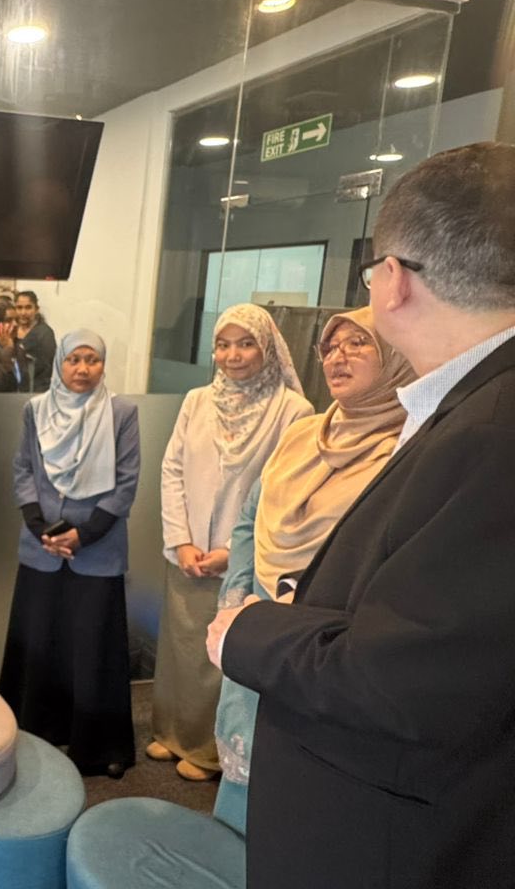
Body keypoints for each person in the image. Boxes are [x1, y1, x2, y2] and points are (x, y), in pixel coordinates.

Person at [208, 143, 515, 888]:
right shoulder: (464, 409)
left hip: (393, 835)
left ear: (395, 281)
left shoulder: (489, 432)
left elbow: (407, 676)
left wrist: (251, 630)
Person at [213, 307, 415, 796]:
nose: (337, 358)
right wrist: (238, 602)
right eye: (329, 347)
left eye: (358, 344)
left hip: (323, 643)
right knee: (242, 770)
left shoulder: (407, 449)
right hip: (258, 617)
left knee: (296, 786)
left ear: (396, 357)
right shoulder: (303, 435)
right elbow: (250, 518)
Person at [150, 303, 311, 782]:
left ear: (268, 349)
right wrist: (180, 540)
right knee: (180, 648)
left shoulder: (293, 410)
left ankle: (209, 749)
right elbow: (172, 469)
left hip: (241, 555)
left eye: (246, 344)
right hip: (188, 552)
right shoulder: (197, 400)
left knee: (223, 652)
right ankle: (172, 731)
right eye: (223, 345)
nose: (232, 355)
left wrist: (231, 550)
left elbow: (283, 491)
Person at [0, 329, 139, 778]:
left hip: (97, 549)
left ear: (103, 364)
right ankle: (36, 736)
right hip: (42, 545)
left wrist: (86, 533)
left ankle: (98, 748)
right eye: (73, 359)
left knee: (93, 647)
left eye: (91, 360)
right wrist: (39, 526)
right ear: (60, 363)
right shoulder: (36, 410)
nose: (82, 369)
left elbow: (126, 481)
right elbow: (23, 468)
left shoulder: (121, 412)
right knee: (40, 643)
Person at [13, 290, 56, 392]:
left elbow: (47, 366)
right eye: (19, 308)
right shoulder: (11, 330)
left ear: (36, 309)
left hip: (37, 389)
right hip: (12, 389)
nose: (23, 312)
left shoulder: (44, 333)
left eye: (28, 307)